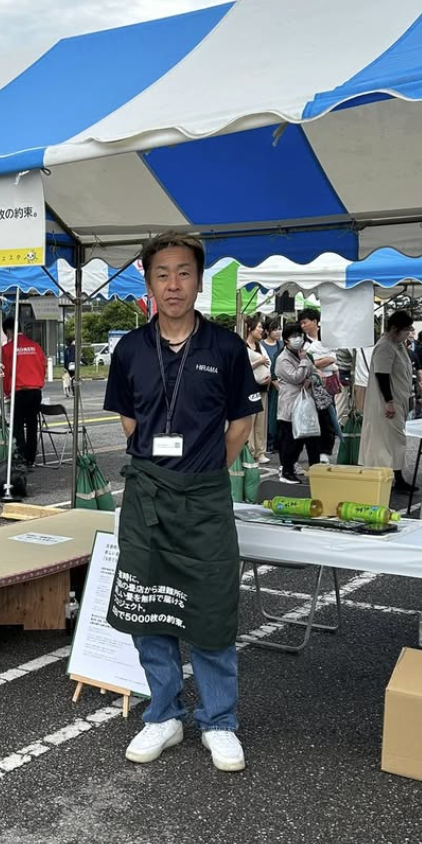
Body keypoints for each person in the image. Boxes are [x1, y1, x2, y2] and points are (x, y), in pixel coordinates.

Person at [103, 230, 261, 773]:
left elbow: (240, 424)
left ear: (198, 280)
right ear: (149, 284)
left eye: (184, 273)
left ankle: (219, 720)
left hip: (205, 496)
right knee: (148, 608)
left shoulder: (226, 348)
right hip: (148, 496)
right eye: (162, 274)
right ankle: (164, 714)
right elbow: (129, 423)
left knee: (211, 608)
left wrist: (206, 467)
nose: (174, 284)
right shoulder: (130, 349)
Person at [359, 310, 416, 492]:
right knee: (388, 440)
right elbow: (382, 375)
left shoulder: (397, 345)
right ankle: (391, 477)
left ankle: (395, 476)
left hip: (398, 399)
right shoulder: (385, 346)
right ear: (394, 328)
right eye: (406, 329)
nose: (408, 333)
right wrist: (389, 401)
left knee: (394, 440)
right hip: (388, 402)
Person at [274, 322, 322, 483]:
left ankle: (316, 470)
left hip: (306, 405)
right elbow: (296, 377)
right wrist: (303, 364)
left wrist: (310, 377)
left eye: (299, 335)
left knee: (311, 439)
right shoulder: (282, 359)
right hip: (290, 406)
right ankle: (286, 471)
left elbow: (314, 373)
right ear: (286, 340)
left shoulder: (303, 354)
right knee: (291, 441)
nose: (298, 339)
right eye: (293, 336)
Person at [0, 317, 47, 468]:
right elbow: (43, 367)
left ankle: (21, 456)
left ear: (8, 331)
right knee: (32, 426)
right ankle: (31, 459)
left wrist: (6, 392)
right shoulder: (35, 346)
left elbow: (5, 373)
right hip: (35, 391)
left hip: (19, 392)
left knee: (17, 426)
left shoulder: (7, 349)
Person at [299, 307, 341, 456]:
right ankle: (315, 450)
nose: (303, 325)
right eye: (301, 323)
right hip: (311, 384)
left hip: (328, 382)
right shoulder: (303, 343)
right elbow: (308, 363)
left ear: (315, 321)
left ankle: (326, 450)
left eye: (305, 322)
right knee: (313, 416)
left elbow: (333, 358)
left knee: (328, 416)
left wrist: (318, 362)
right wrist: (323, 361)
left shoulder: (326, 338)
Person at [244, 314, 271, 463]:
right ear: (250, 329)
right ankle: (249, 450)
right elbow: (242, 367)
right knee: (250, 421)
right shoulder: (243, 346)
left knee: (261, 421)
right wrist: (258, 362)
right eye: (259, 327)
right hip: (250, 389)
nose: (262, 330)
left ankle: (260, 451)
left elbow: (268, 363)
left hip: (262, 388)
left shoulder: (261, 347)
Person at [262, 316, 282, 452]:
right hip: (267, 383)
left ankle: (276, 441)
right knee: (269, 413)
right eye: (275, 329)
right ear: (267, 331)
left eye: (279, 329)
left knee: (278, 413)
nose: (278, 332)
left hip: (280, 383)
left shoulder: (281, 345)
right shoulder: (262, 345)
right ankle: (269, 441)